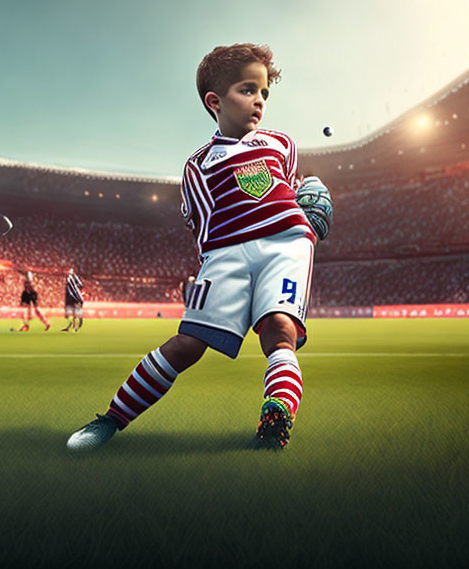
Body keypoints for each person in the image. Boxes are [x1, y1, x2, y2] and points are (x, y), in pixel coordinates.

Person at [66, 43, 332, 452]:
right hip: (226, 253)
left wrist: (307, 208)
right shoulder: (198, 166)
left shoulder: (282, 144)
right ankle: (110, 420)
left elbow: (290, 189)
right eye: (248, 90)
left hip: (286, 244)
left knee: (280, 330)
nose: (259, 101)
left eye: (264, 93)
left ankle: (275, 421)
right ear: (215, 101)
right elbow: (203, 228)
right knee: (186, 344)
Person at [61, 267, 84, 332]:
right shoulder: (74, 278)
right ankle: (74, 326)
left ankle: (74, 326)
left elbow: (73, 289)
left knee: (70, 313)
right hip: (76, 298)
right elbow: (80, 285)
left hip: (72, 298)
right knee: (74, 313)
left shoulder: (70, 279)